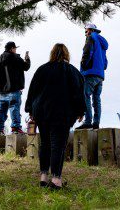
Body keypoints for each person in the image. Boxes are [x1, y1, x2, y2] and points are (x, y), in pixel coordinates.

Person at [25, 43, 85, 189]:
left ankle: (43, 177)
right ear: (66, 54)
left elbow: (32, 90)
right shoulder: (73, 71)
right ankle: (56, 180)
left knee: (45, 143)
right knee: (58, 145)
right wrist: (80, 111)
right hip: (62, 113)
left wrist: (30, 109)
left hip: (42, 112)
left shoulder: (42, 69)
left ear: (52, 54)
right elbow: (78, 93)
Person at [0, 41, 31, 135]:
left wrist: (0, 84)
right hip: (14, 89)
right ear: (11, 49)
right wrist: (27, 59)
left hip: (2, 91)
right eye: (15, 48)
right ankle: (15, 128)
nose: (15, 50)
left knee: (1, 110)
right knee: (14, 108)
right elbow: (26, 67)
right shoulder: (15, 57)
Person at [77, 23, 108, 130]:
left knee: (85, 95)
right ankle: (96, 122)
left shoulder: (91, 38)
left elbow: (87, 53)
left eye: (86, 31)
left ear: (90, 30)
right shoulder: (102, 43)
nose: (85, 33)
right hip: (100, 75)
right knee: (96, 98)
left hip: (90, 73)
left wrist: (83, 66)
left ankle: (88, 121)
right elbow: (105, 62)